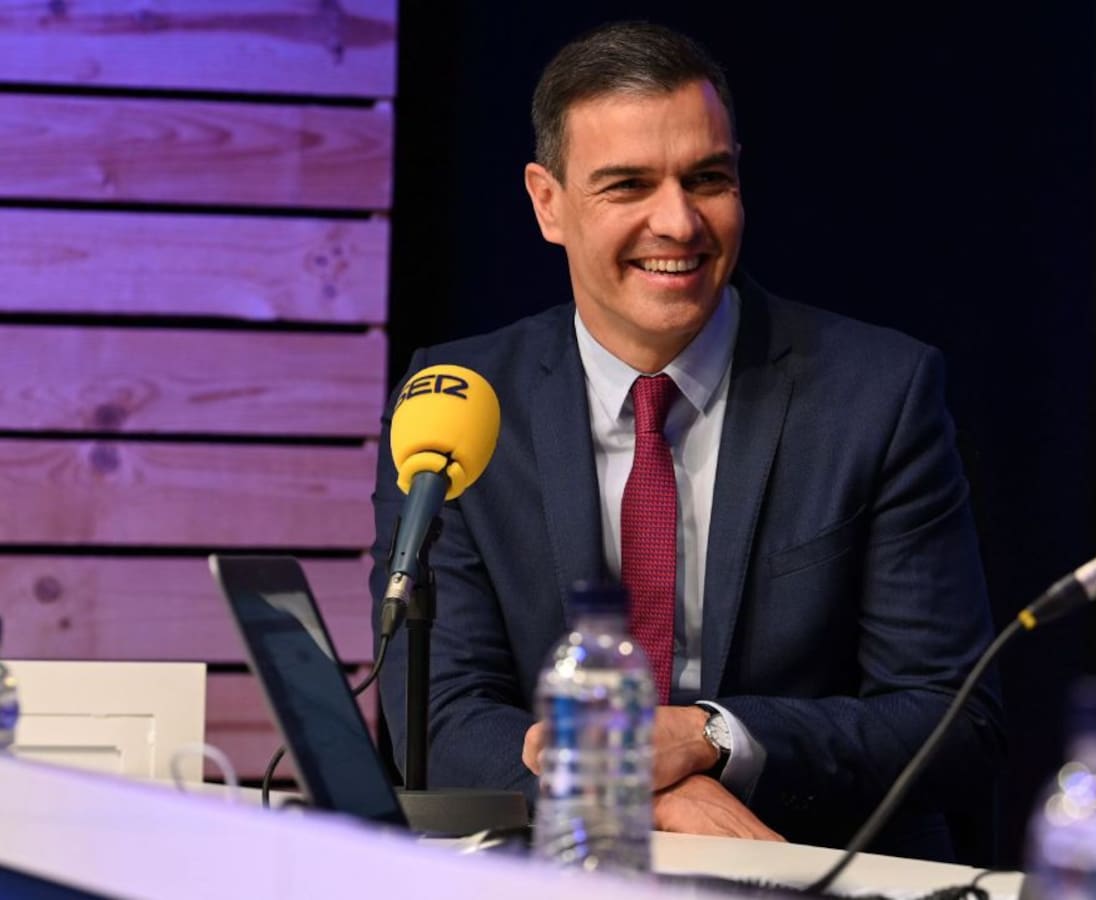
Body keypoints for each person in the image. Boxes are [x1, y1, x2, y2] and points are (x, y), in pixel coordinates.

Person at [371, 21, 1003, 860]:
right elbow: (442, 714)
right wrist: (639, 796)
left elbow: (950, 718)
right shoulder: (457, 400)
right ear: (548, 202)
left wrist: (714, 739)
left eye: (707, 179)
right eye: (628, 185)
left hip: (803, 864)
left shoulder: (878, 395)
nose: (678, 222)